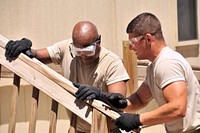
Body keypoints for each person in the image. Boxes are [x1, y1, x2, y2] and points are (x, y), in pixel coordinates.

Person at [74, 13, 200, 133]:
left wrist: (137, 120)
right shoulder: (154, 66)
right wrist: (113, 100)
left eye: (133, 42)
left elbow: (178, 108)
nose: (130, 47)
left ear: (148, 39)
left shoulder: (167, 63)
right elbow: (140, 100)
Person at [5, 21, 130, 133]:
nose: (83, 56)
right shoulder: (66, 48)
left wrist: (100, 94)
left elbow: (119, 102)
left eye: (88, 51)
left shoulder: (112, 63)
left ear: (99, 41)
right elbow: (37, 55)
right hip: (77, 128)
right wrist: (25, 48)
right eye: (77, 51)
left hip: (106, 129)